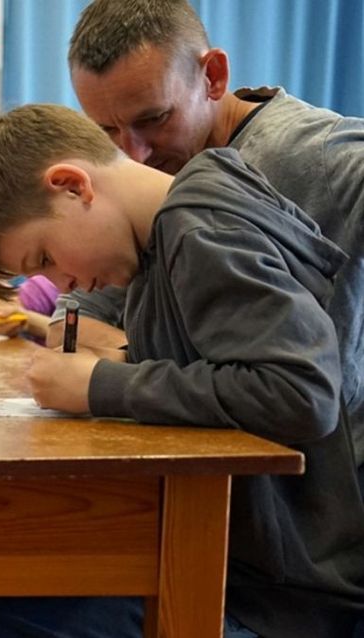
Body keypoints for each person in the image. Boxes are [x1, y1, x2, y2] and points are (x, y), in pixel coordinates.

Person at [0, 103, 364, 637]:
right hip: (230, 556)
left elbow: (301, 393)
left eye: (44, 257)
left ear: (73, 186)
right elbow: (220, 365)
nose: (62, 285)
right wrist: (121, 365)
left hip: (274, 595)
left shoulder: (200, 225)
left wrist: (101, 385)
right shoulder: (158, 245)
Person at [51, 0, 364, 474]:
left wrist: (124, 378)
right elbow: (75, 321)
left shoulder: (320, 156)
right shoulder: (160, 184)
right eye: (108, 130)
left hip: (328, 487)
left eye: (153, 119)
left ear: (213, 76)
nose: (132, 151)